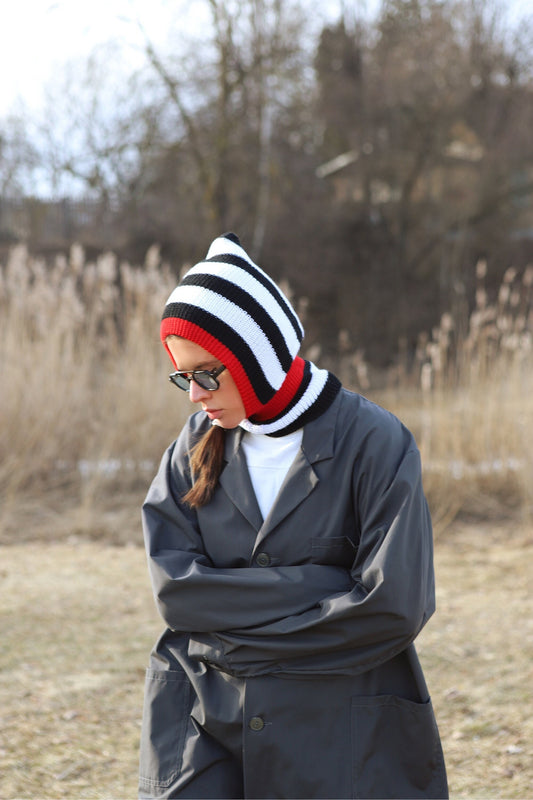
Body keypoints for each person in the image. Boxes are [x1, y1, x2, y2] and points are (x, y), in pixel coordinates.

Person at [139, 232, 448, 800]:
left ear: (256, 358)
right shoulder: (191, 448)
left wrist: (228, 634)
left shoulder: (375, 443)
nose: (193, 395)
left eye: (207, 373)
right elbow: (176, 593)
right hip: (207, 731)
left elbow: (394, 606)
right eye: (182, 377)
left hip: (341, 740)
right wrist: (327, 587)